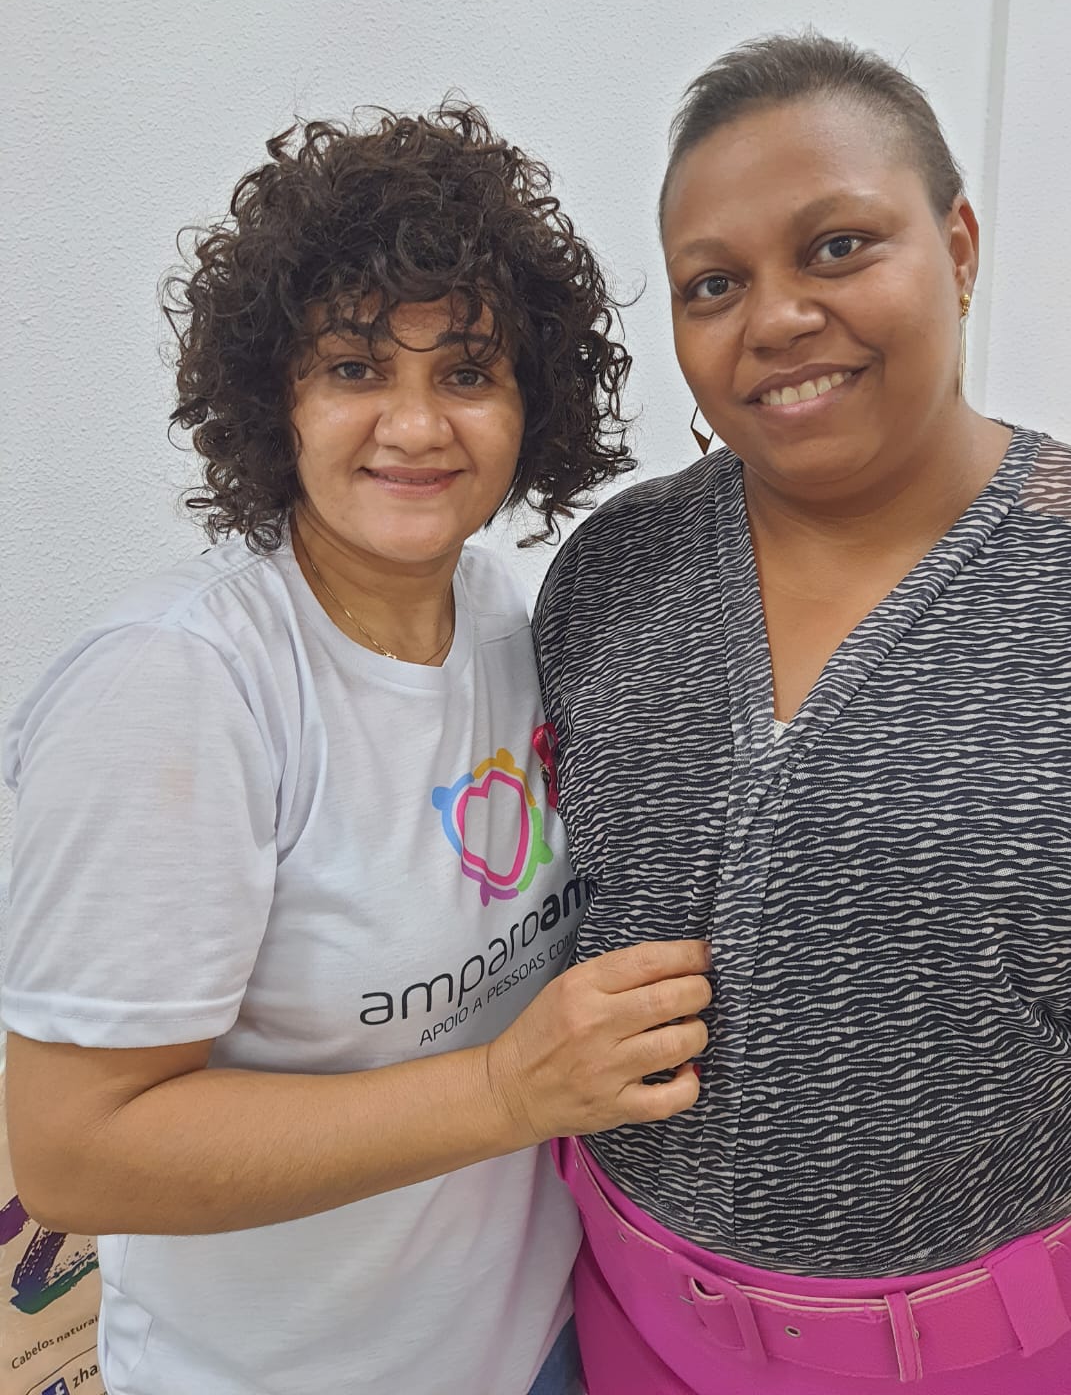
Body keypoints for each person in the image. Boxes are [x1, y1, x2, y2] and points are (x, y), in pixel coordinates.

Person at [1, 104, 712, 1395]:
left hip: (539, 1347)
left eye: (468, 373)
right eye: (354, 368)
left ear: (533, 404)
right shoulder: (180, 685)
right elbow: (71, 1155)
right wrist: (507, 1092)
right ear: (272, 397)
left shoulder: (507, 621)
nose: (417, 426)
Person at [533, 33, 1071, 1395]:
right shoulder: (611, 574)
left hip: (1041, 1350)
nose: (776, 318)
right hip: (639, 1320)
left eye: (838, 247)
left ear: (958, 246)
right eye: (714, 284)